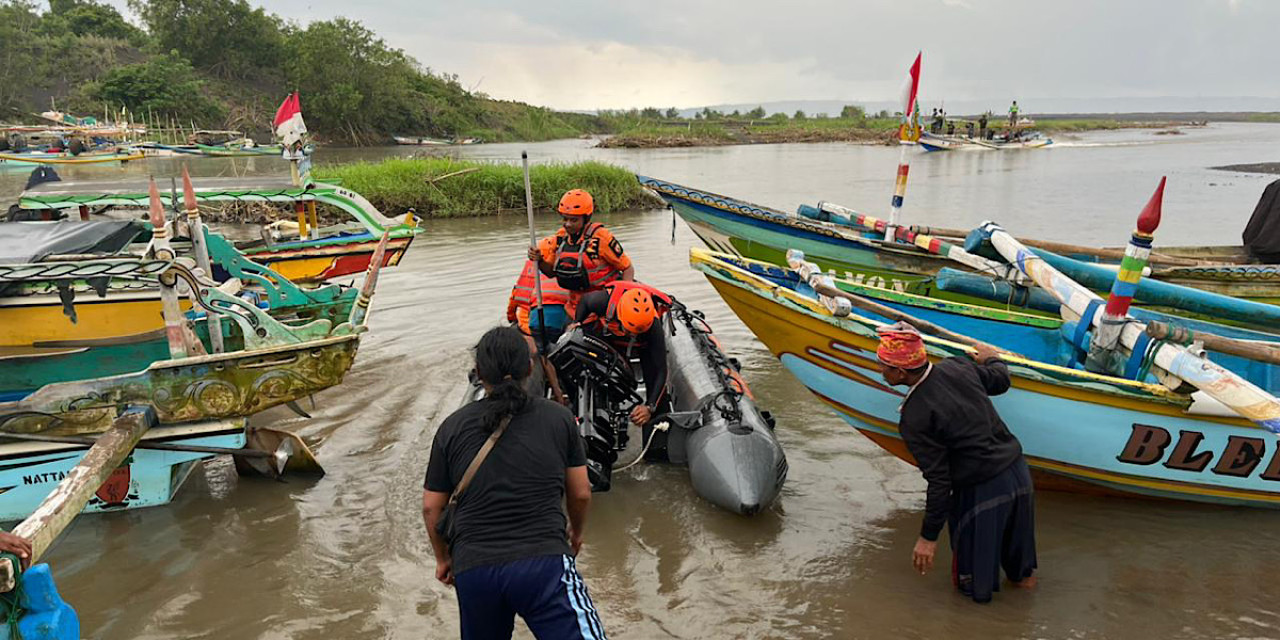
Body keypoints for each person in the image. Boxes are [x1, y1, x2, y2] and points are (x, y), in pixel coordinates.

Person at [423, 327, 605, 639]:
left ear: (479, 373)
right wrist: (575, 533)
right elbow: (581, 492)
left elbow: (431, 507)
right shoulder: (557, 419)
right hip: (543, 562)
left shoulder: (451, 427)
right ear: (531, 368)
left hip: (474, 568)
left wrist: (443, 558)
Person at [874, 321, 1037, 604]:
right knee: (1022, 572)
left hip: (983, 489)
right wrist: (991, 356)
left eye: (884, 366)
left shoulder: (914, 417)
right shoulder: (957, 366)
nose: (880, 370)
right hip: (1019, 475)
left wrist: (928, 537)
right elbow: (1000, 380)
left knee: (973, 589)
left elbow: (940, 480)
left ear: (900, 372)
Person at [572, 281, 673, 429]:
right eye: (631, 331)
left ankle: (653, 430)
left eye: (636, 332)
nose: (632, 334)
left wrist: (650, 407)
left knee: (653, 380)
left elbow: (661, 371)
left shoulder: (654, 327)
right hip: (609, 335)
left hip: (643, 343)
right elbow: (585, 301)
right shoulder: (601, 302)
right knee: (595, 369)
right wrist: (577, 322)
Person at [528, 189, 634, 317]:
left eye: (574, 220)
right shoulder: (561, 238)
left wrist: (621, 298)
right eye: (565, 219)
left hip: (601, 305)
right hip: (574, 307)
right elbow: (551, 273)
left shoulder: (601, 238)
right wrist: (539, 260)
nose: (567, 224)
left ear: (586, 218)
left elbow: (627, 268)